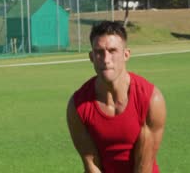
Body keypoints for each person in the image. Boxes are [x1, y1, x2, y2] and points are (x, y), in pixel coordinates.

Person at [66, 21, 166, 173]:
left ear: (126, 54)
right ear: (91, 57)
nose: (106, 59)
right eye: (99, 52)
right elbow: (91, 165)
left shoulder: (150, 99)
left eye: (112, 51)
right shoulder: (78, 105)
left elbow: (144, 165)